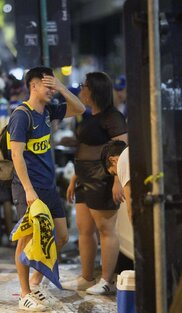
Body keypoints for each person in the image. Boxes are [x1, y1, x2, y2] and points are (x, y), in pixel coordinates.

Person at [8, 66, 85, 311]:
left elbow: (80, 108)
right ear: (33, 86)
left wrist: (62, 87)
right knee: (27, 239)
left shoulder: (49, 110)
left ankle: (36, 283)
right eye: (48, 86)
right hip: (28, 188)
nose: (52, 91)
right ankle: (24, 294)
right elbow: (17, 156)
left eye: (53, 87)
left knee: (60, 236)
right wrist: (29, 190)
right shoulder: (22, 115)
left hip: (49, 187)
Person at [63, 72, 127, 295]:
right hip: (83, 177)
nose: (81, 89)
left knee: (106, 229)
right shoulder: (90, 116)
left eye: (84, 86)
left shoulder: (113, 117)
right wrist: (74, 177)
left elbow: (122, 151)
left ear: (94, 90)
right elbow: (84, 149)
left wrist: (117, 180)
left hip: (102, 178)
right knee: (84, 229)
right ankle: (86, 277)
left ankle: (107, 279)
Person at [101, 140, 132, 221]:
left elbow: (131, 210)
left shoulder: (123, 160)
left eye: (115, 173)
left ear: (113, 160)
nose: (118, 175)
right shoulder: (133, 148)